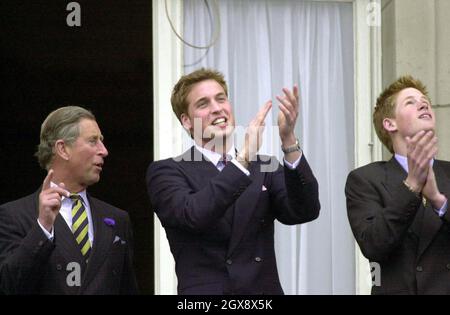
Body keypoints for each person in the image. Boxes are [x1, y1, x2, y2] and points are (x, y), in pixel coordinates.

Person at [146, 68, 320, 295]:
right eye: (203, 103)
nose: (217, 108)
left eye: (221, 99)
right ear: (187, 121)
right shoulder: (167, 171)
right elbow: (195, 215)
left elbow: (304, 211)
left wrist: (288, 140)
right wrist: (245, 157)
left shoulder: (265, 167)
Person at [0, 106, 138, 294]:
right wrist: (43, 227)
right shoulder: (14, 215)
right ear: (63, 149)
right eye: (93, 141)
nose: (104, 151)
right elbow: (9, 286)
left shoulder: (117, 219)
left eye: (102, 141)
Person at [346, 76, 450, 294]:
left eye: (425, 101)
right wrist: (411, 185)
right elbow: (374, 245)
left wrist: (439, 202)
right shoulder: (365, 179)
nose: (423, 104)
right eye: (410, 102)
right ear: (389, 123)